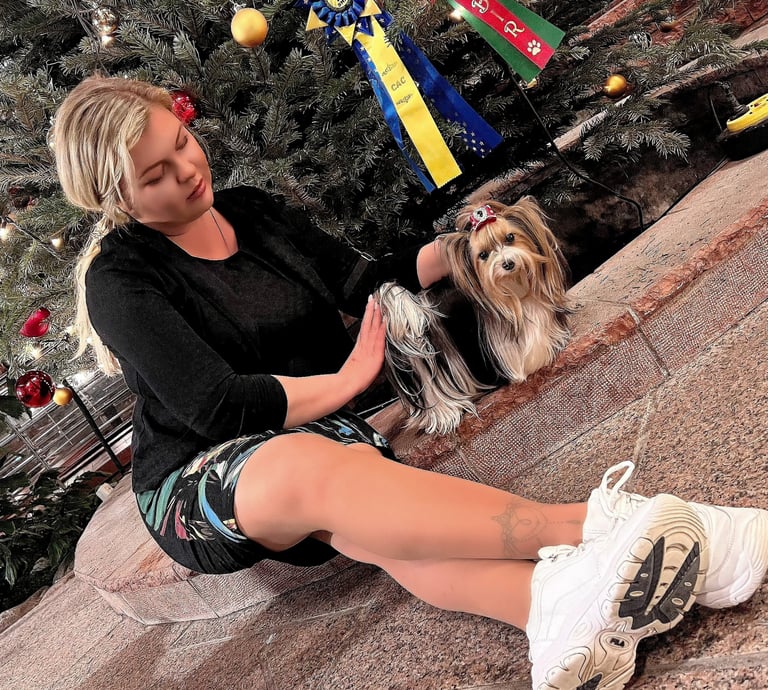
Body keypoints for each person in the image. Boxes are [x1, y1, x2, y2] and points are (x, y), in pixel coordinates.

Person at [51, 75, 768, 690]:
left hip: (317, 436)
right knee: (310, 471)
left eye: (181, 142)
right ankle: (606, 526)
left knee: (388, 537)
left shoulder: (252, 211)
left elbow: (365, 279)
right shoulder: (119, 279)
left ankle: (556, 612)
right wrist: (348, 382)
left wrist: (462, 249)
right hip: (203, 473)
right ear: (116, 197)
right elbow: (219, 405)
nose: (186, 169)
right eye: (155, 174)